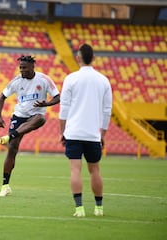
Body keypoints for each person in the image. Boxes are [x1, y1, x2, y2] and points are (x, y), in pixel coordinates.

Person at [59, 43, 112, 217]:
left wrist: (62, 132)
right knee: (95, 170)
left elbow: (64, 109)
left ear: (78, 58)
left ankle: (79, 209)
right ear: (94, 58)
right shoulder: (103, 80)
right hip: (92, 134)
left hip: (73, 133)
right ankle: (99, 208)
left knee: (75, 169)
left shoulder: (71, 78)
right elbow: (107, 110)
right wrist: (102, 134)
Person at [0, 55, 60, 197]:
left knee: (41, 118)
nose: (22, 70)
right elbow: (2, 97)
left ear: (32, 67)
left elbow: (58, 96)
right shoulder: (17, 81)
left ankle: (10, 136)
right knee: (12, 148)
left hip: (35, 115)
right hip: (19, 116)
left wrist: (47, 104)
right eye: (20, 68)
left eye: (24, 67)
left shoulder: (44, 80)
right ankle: (5, 186)